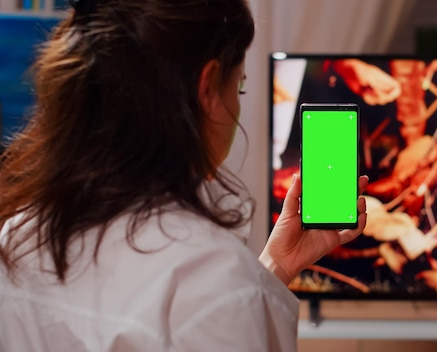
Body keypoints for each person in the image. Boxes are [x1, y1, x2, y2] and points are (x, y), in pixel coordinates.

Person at [0, 0, 367, 351]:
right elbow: (210, 305)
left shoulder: (16, 237)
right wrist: (245, 288)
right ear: (207, 87)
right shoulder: (211, 278)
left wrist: (274, 267)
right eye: (239, 85)